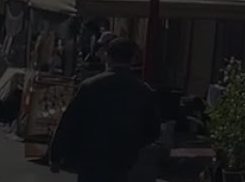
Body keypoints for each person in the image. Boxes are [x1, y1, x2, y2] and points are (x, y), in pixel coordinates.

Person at [48, 38, 162, 182]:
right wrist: (133, 143)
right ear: (133, 59)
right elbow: (153, 130)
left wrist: (56, 156)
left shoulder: (90, 86)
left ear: (108, 56)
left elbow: (68, 123)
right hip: (122, 160)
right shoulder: (143, 91)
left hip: (90, 158)